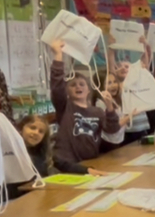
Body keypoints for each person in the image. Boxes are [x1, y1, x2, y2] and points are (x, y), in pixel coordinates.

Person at [48, 40, 120, 175]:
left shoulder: (97, 111)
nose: (78, 87)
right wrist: (58, 56)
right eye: (73, 85)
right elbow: (56, 86)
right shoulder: (65, 107)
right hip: (67, 163)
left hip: (90, 162)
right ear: (67, 91)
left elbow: (112, 129)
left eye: (82, 84)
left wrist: (110, 107)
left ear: (88, 90)